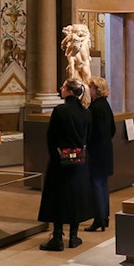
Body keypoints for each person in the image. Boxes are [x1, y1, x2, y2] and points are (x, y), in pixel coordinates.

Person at [38, 79, 93, 251]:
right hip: (79, 160)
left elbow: (51, 136)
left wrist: (55, 154)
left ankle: (57, 237)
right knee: (75, 195)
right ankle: (74, 236)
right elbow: (88, 137)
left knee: (58, 197)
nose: (60, 88)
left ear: (69, 91)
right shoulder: (86, 112)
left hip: (60, 160)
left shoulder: (60, 110)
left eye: (63, 86)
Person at [85, 77, 115, 232]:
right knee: (103, 184)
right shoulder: (106, 106)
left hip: (96, 150)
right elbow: (112, 129)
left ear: (96, 89)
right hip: (106, 149)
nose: (88, 90)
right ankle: (104, 216)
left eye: (90, 87)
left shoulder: (94, 108)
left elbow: (90, 131)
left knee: (96, 184)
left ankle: (98, 218)